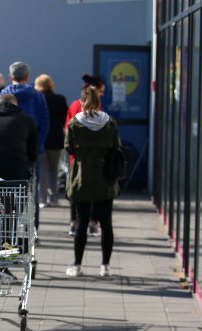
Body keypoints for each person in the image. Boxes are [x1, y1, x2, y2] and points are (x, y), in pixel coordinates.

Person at [64, 85, 121, 278]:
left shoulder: (74, 124)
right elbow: (116, 147)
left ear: (81, 102)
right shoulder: (110, 123)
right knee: (106, 223)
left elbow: (69, 148)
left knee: (82, 224)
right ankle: (105, 265)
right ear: (98, 102)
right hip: (106, 179)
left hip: (82, 179)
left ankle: (77, 264)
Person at [0, 61, 49, 241]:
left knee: (3, 193)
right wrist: (37, 146)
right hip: (30, 153)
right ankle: (32, 231)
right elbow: (44, 123)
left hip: (5, 152)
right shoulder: (37, 96)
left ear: (10, 77)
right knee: (31, 192)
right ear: (28, 76)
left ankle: (2, 232)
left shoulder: (3, 95)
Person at [65, 73, 106, 237]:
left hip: (76, 159)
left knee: (75, 192)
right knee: (95, 192)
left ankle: (74, 223)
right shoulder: (99, 113)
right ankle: (93, 223)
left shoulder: (74, 106)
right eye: (101, 91)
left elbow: (66, 131)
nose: (102, 94)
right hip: (94, 160)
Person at [35, 73, 67, 207]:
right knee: (54, 170)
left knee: (42, 170)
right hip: (56, 138)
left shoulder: (37, 99)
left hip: (41, 138)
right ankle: (54, 198)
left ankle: (43, 199)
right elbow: (65, 117)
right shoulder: (60, 99)